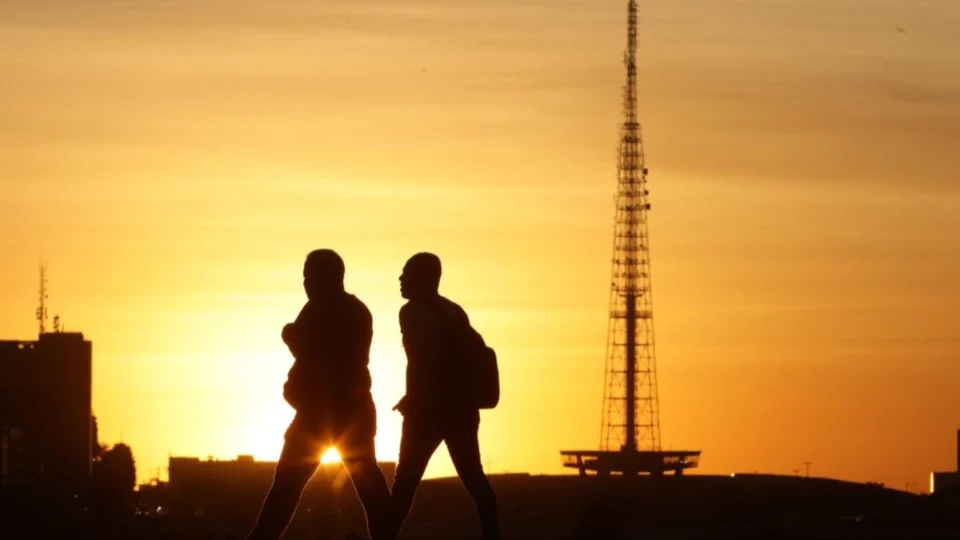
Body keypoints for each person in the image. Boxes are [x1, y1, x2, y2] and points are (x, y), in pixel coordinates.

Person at [247, 249, 392, 540]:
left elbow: (314, 352)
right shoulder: (352, 310)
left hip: (331, 411)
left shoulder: (324, 309)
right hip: (337, 410)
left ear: (328, 277)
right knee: (291, 484)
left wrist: (290, 335)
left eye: (309, 276)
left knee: (291, 485)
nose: (305, 283)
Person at [389, 252, 500, 540]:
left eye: (406, 273)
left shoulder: (412, 311)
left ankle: (382, 536)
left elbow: (421, 359)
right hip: (461, 408)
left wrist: (412, 398)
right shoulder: (454, 310)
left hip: (428, 410)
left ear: (423, 278)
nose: (400, 280)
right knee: (474, 476)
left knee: (406, 481)